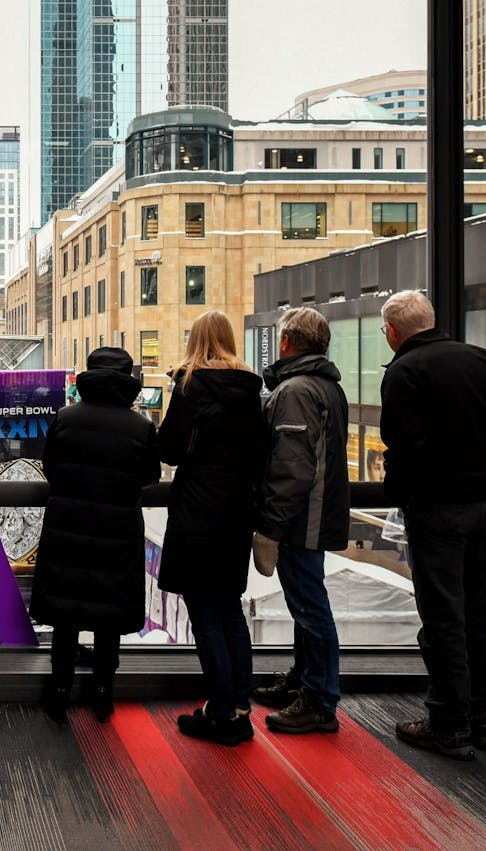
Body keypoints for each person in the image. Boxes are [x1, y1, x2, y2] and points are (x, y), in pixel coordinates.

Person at [378, 290, 486, 759]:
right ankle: (482, 718)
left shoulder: (405, 372)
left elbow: (402, 446)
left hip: (439, 510)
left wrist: (405, 492)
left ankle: (449, 723)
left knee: (443, 618)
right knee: (479, 615)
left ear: (393, 332)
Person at [29, 347, 161, 725]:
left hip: (68, 528)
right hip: (116, 533)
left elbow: (50, 466)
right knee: (108, 618)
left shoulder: (65, 418)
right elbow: (149, 476)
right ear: (128, 382)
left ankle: (58, 693)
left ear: (88, 377)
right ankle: (103, 694)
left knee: (65, 619)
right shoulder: (141, 427)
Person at [156, 311, 266, 746]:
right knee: (230, 610)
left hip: (198, 511)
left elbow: (169, 450)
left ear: (196, 341)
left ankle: (221, 713)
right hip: (237, 513)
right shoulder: (250, 389)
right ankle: (239, 707)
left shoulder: (189, 385)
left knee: (204, 613)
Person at [249, 306, 350, 735]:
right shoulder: (328, 387)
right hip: (317, 514)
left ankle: (320, 699)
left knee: (310, 608)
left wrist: (270, 525)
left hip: (301, 520)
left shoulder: (295, 391)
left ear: (287, 342)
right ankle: (304, 682)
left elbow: (292, 469)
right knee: (306, 604)